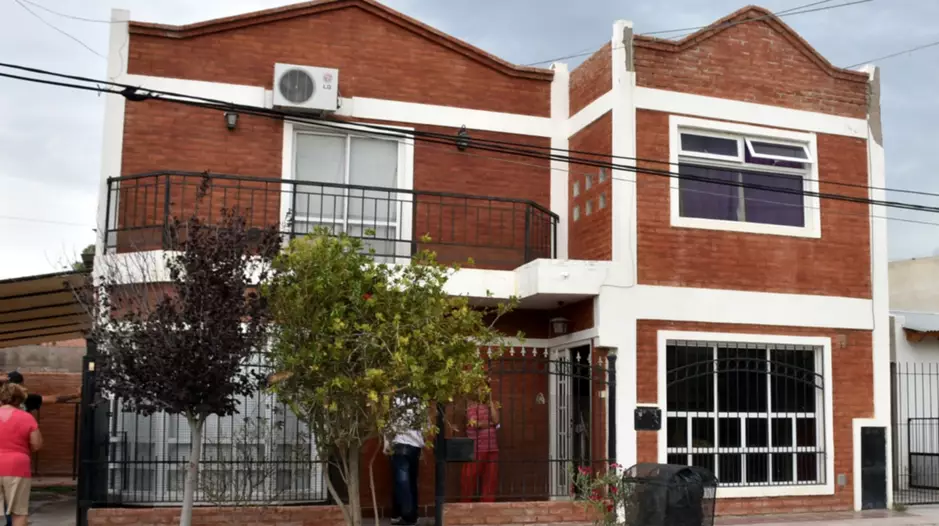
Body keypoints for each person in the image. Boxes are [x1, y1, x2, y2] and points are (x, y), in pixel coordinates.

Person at [0, 382, 43, 526]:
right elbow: (36, 444)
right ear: (19, 399)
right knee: (18, 513)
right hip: (17, 467)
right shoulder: (26, 417)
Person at [385, 394, 425, 526]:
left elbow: (389, 423)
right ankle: (407, 514)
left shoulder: (394, 399)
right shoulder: (419, 400)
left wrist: (387, 443)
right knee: (409, 481)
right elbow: (425, 425)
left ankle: (406, 514)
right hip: (415, 445)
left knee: (402, 480)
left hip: (400, 444)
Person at [460, 386, 500, 503]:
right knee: (469, 477)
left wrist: (490, 401)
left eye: (485, 389)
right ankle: (465, 503)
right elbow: (475, 424)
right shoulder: (470, 406)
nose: (483, 391)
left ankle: (487, 503)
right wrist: (491, 424)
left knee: (491, 478)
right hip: (476, 448)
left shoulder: (492, 405)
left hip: (492, 447)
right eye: (480, 389)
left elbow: (496, 420)